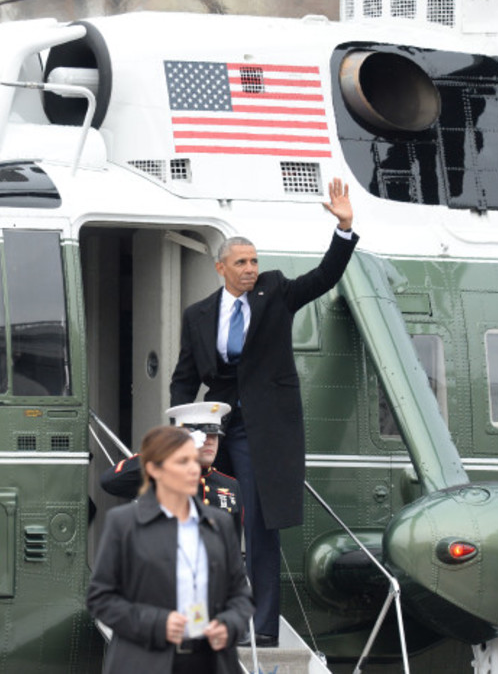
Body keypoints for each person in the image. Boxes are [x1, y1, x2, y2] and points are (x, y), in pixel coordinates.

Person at [169, 177, 358, 646]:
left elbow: (323, 278)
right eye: (242, 262)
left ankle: (264, 629)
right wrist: (178, 429)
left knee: (259, 525)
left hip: (260, 430)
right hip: (213, 428)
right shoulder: (198, 315)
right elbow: (185, 374)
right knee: (207, 523)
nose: (251, 268)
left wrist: (344, 229)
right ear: (221, 268)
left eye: (254, 260)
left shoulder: (274, 292)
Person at [87, 425, 254, 674]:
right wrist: (157, 623)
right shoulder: (124, 524)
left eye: (193, 461)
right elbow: (100, 599)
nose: (192, 469)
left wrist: (228, 624)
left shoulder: (217, 523)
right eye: (181, 461)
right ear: (155, 470)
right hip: (144, 661)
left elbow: (240, 595)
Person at [100, 402, 243, 541]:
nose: (210, 441)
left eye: (215, 435)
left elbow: (233, 542)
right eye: (205, 435)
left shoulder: (230, 485)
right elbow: (110, 481)